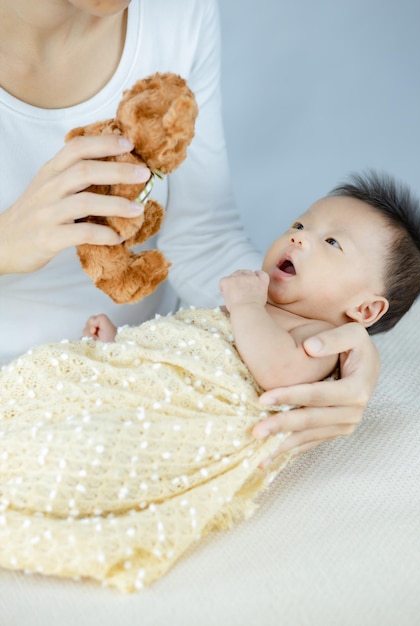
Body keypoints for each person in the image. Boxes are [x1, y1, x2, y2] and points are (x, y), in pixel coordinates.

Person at [0, 171, 420, 591]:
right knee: (49, 379)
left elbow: (278, 374)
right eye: (299, 224)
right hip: (137, 387)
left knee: (87, 443)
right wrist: (117, 351)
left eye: (332, 242)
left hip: (176, 418)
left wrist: (245, 306)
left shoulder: (317, 338)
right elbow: (176, 355)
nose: (299, 237)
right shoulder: (255, 307)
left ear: (365, 312)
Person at [0, 0, 382, 462]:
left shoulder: (178, 12)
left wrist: (331, 339)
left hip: (132, 367)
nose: (300, 236)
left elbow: (201, 239)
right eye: (302, 227)